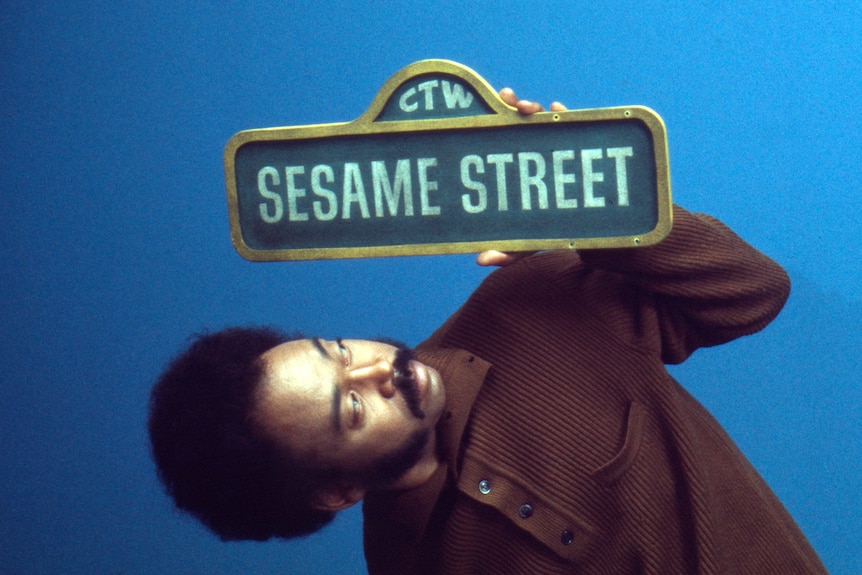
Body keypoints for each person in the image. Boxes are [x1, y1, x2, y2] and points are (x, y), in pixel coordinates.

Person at [148, 89, 828, 574]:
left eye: (340, 351)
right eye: (351, 409)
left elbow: (755, 295)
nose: (377, 368)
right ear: (336, 493)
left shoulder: (523, 303)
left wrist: (596, 208)